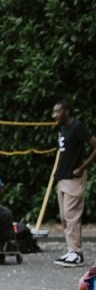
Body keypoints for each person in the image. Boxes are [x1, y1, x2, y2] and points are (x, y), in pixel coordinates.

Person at [51, 100, 96, 267]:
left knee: (72, 215)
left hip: (74, 178)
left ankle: (76, 253)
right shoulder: (62, 129)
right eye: (54, 112)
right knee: (65, 217)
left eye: (58, 112)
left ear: (68, 112)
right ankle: (71, 250)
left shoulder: (77, 127)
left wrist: (83, 167)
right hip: (62, 177)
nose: (55, 115)